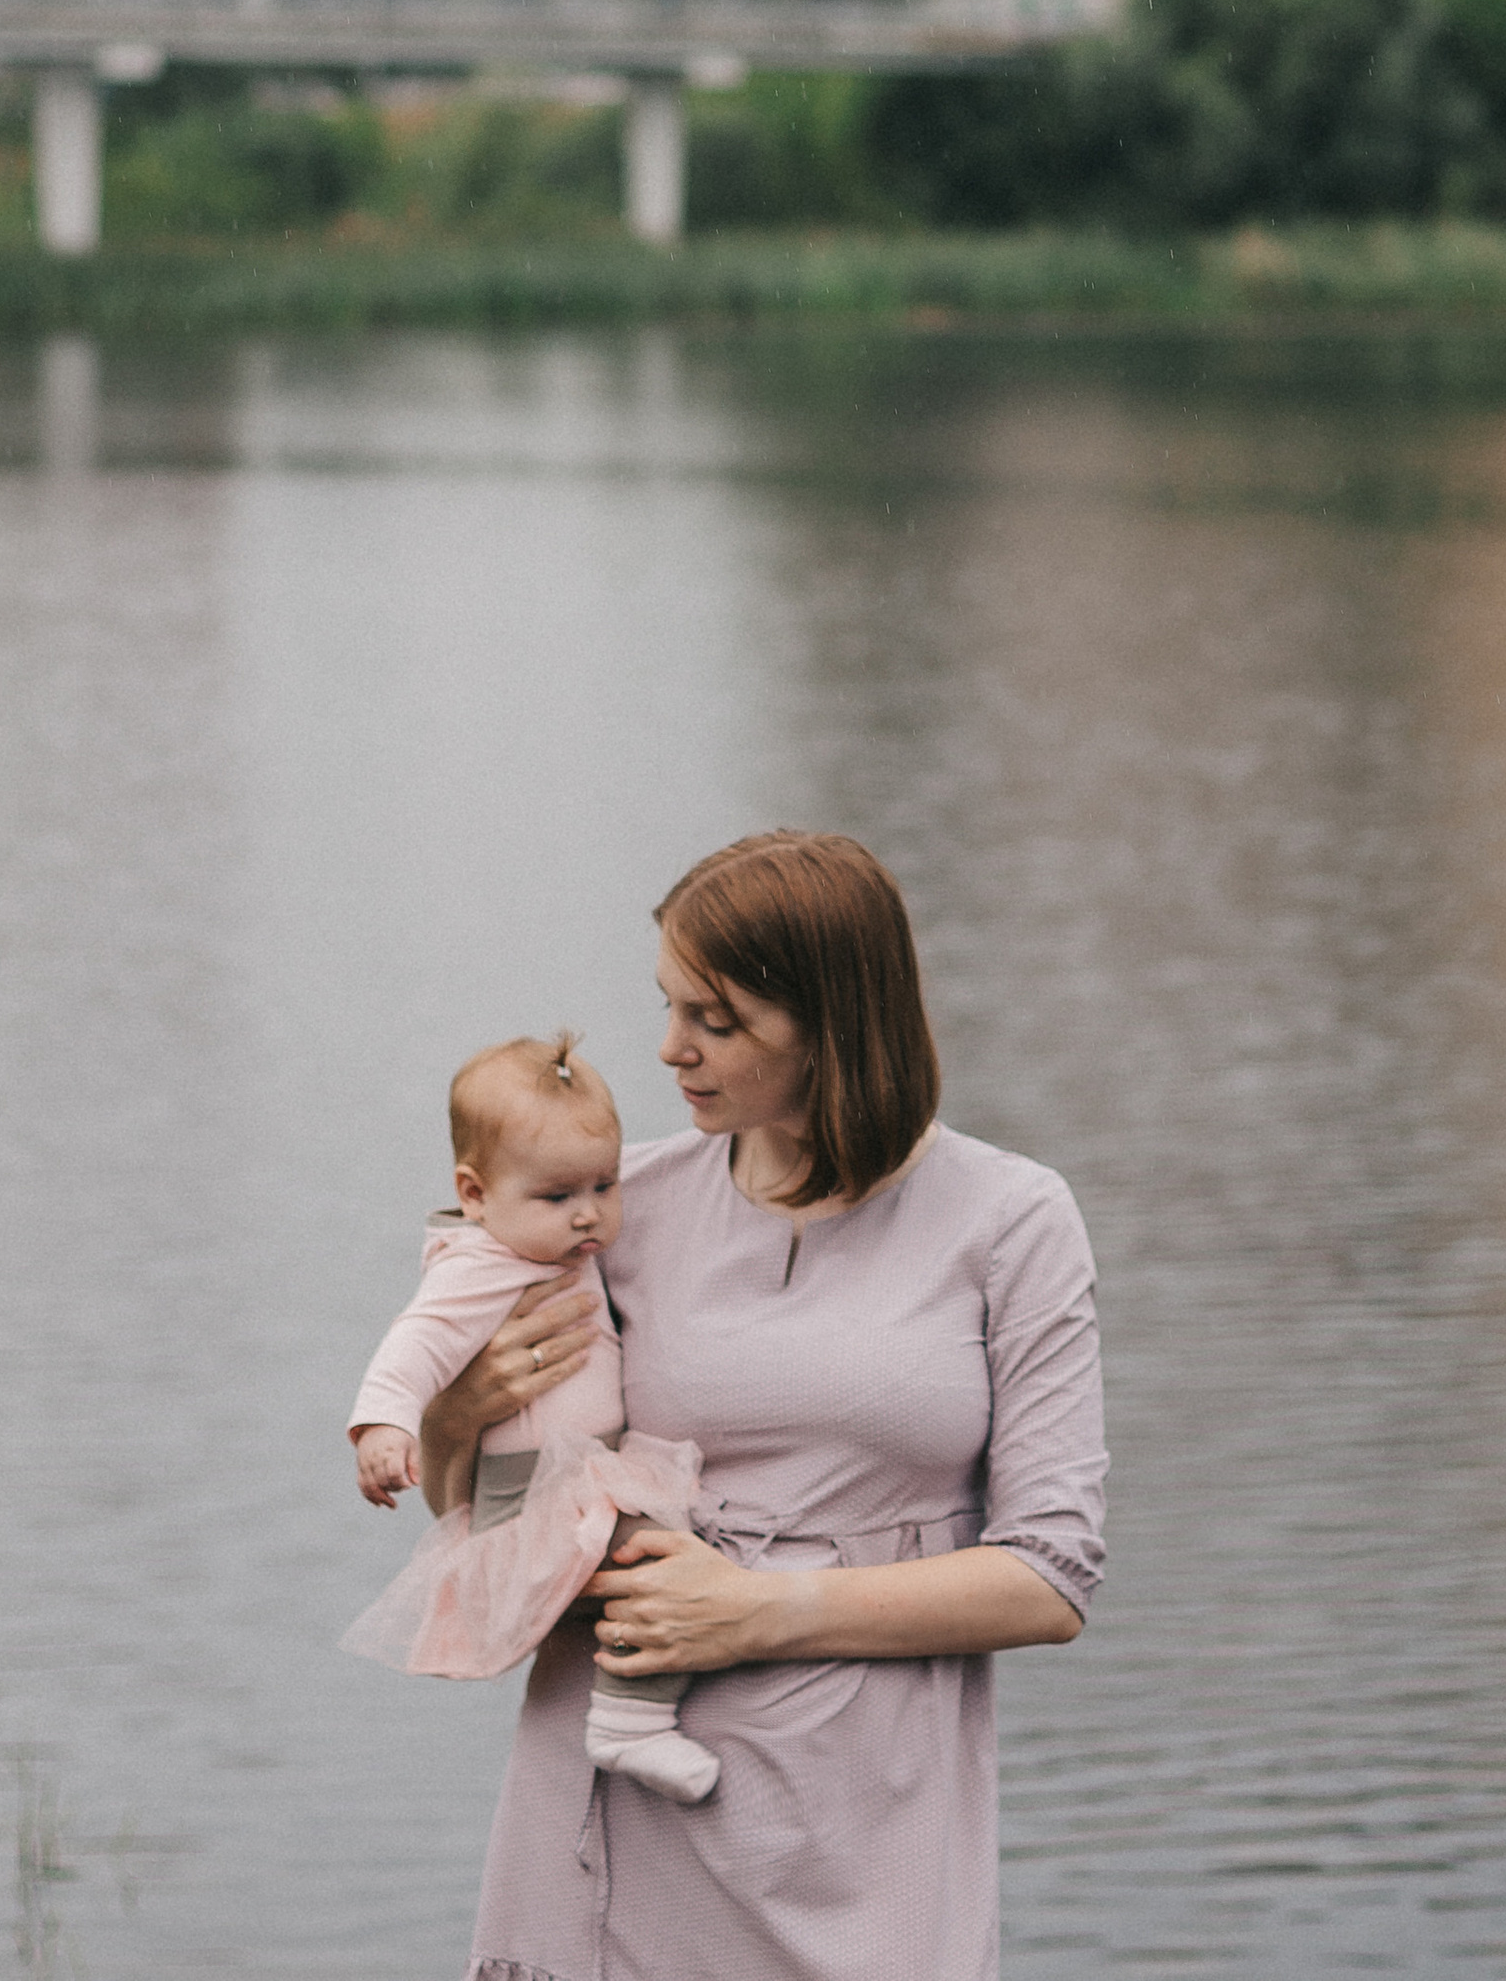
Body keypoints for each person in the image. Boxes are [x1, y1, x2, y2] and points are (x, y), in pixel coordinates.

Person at [413, 829, 1106, 1981]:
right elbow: (492, 1510)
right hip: (617, 1775)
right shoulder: (610, 1205)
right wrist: (451, 1419)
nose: (669, 1049)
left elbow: (1048, 1579)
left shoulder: (1011, 1219)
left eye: (716, 1020)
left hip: (862, 1815)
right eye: (670, 1005)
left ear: (837, 1024)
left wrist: (756, 1610)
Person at [342, 1031, 722, 1803]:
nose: (588, 1216)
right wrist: (384, 1425)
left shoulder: (556, 1251)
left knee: (661, 1565)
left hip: (585, 1471)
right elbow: (415, 1343)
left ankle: (631, 1710)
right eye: (558, 1198)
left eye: (604, 1188)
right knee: (663, 1567)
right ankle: (629, 1723)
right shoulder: (480, 1265)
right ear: (476, 1195)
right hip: (536, 1489)